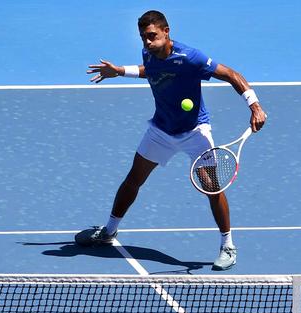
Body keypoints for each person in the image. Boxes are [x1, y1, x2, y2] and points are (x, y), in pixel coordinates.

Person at [75, 10, 267, 271]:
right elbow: (152, 71)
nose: (147, 42)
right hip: (161, 130)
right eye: (143, 37)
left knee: (212, 187)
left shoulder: (191, 58)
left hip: (195, 132)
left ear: (166, 31)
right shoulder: (149, 53)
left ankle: (227, 245)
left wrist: (254, 106)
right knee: (133, 179)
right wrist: (120, 71)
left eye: (152, 36)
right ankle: (109, 231)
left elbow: (231, 74)